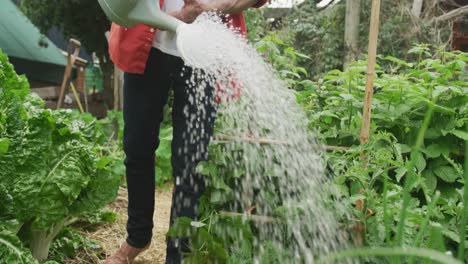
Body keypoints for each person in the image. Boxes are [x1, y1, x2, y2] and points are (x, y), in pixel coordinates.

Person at [104, 0, 267, 263]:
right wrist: (176, 16)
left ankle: (178, 253)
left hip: (203, 51)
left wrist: (216, 6)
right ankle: (137, 238)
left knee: (192, 161)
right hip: (147, 43)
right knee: (137, 148)